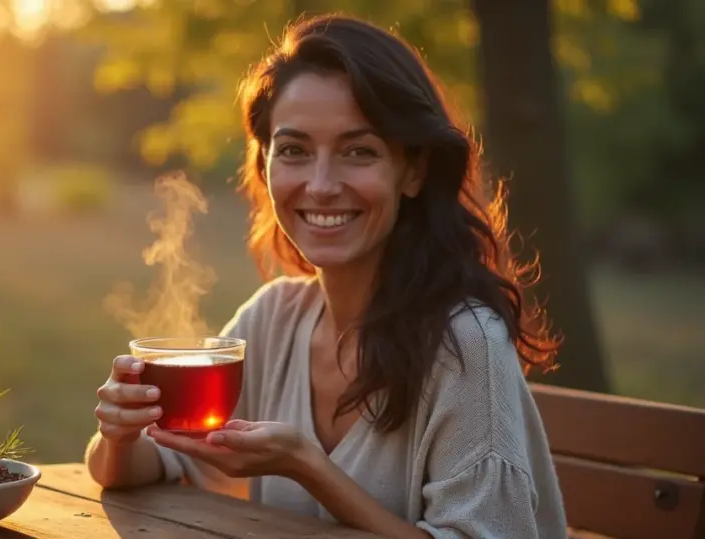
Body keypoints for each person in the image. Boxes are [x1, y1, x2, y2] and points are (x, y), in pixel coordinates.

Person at [84, 13, 569, 539]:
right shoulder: (275, 317)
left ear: (413, 170)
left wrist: (307, 465)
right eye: (294, 151)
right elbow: (137, 469)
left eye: (358, 152)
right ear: (265, 163)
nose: (319, 185)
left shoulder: (466, 344)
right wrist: (121, 433)